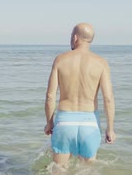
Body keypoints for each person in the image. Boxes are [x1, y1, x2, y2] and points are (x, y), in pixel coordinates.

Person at [44, 23, 116, 167]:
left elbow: (50, 96)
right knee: (87, 170)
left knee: (59, 169)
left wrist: (49, 123)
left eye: (71, 36)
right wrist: (110, 129)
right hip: (89, 123)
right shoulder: (101, 63)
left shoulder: (60, 59)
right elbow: (108, 99)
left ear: (75, 38)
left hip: (65, 122)